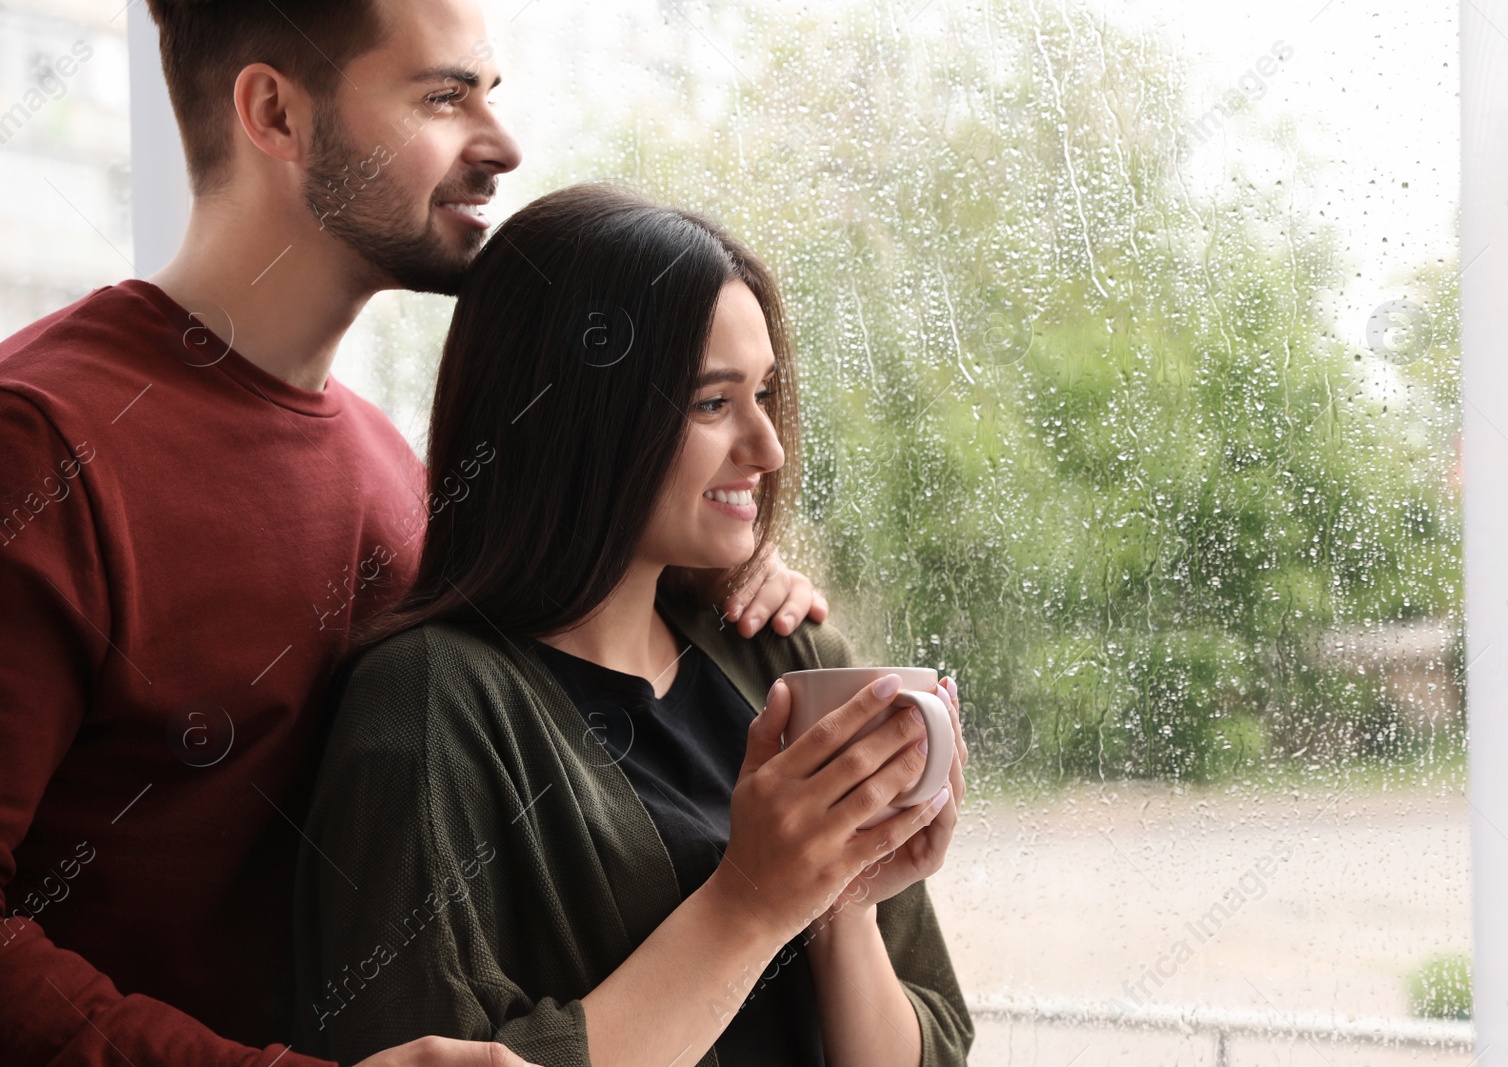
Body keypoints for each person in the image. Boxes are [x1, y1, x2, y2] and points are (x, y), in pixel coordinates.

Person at [0, 2, 824, 1065]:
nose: (502, 145)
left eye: (491, 93)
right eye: (443, 96)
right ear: (274, 113)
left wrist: (727, 591)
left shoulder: (395, 472)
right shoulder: (42, 446)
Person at [294, 184, 975, 1067]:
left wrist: (838, 905)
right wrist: (755, 899)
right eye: (711, 402)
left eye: (765, 392)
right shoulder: (427, 706)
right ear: (574, 418)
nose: (767, 447)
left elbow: (936, 1048)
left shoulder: (791, 655)